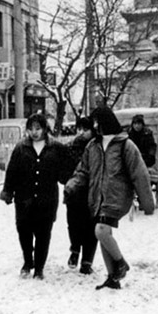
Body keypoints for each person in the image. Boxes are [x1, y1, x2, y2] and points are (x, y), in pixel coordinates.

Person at [64, 106, 155, 290]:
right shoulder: (92, 146)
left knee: (101, 230)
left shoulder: (125, 145)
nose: (94, 125)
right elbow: (83, 170)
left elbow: (140, 174)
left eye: (97, 121)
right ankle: (113, 278)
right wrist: (73, 183)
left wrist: (147, 203)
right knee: (105, 234)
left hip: (117, 197)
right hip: (97, 198)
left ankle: (121, 263)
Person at [0, 113, 70, 280]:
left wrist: (66, 179)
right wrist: (8, 191)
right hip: (24, 199)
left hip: (47, 199)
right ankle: (27, 261)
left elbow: (65, 170)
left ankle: (39, 267)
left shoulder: (56, 148)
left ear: (45, 129)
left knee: (43, 234)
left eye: (38, 128)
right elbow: (12, 172)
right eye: (31, 129)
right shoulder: (20, 148)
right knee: (24, 232)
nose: (34, 132)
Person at [64, 117, 99, 274]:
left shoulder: (98, 147)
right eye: (80, 129)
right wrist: (68, 181)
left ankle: (87, 261)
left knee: (92, 227)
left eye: (86, 129)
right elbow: (63, 167)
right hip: (74, 193)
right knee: (74, 224)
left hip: (93, 193)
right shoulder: (71, 147)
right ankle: (75, 250)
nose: (82, 133)